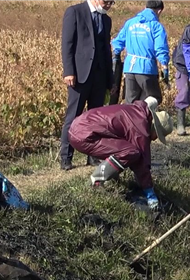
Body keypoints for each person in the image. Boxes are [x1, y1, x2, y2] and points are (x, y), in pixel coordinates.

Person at [68, 96, 173, 210]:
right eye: (158, 135)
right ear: (155, 127)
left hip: (79, 126)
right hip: (84, 136)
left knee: (124, 149)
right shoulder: (140, 128)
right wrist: (149, 192)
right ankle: (96, 181)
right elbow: (141, 163)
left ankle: (112, 178)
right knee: (130, 152)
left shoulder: (138, 112)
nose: (155, 139)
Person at [60, 0, 115, 171]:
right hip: (79, 75)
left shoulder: (106, 20)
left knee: (95, 118)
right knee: (73, 116)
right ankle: (65, 157)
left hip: (99, 75)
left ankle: (93, 156)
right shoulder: (75, 12)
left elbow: (106, 50)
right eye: (106, 1)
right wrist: (69, 71)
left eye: (112, 2)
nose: (108, 5)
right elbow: (67, 44)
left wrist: (110, 79)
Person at [111, 0, 170, 104]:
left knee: (131, 101)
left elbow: (118, 41)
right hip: (147, 69)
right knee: (153, 98)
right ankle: (145, 119)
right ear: (159, 11)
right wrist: (164, 65)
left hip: (129, 68)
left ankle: (129, 120)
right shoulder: (156, 26)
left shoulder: (130, 23)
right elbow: (160, 48)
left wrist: (116, 55)